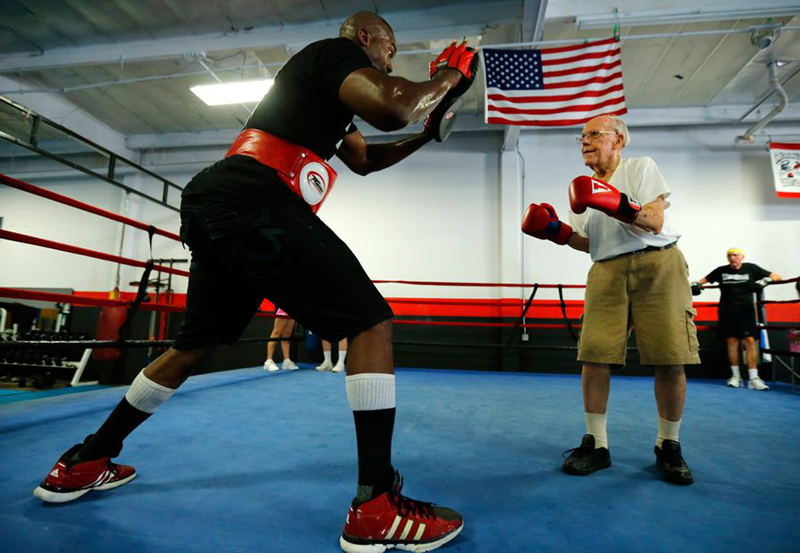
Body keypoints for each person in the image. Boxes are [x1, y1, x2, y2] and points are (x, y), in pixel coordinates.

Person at [33, 11, 477, 552]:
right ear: (366, 38)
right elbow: (393, 105)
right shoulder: (336, 55)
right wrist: (448, 78)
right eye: (388, 49)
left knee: (191, 346)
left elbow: (364, 159)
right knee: (371, 324)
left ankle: (84, 462)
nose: (389, 61)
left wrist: (427, 134)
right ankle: (376, 505)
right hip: (257, 203)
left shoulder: (326, 106)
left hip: (222, 209)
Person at [522, 114, 699, 486]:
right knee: (594, 355)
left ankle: (669, 444)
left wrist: (610, 199)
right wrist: (555, 232)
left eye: (593, 134)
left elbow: (652, 219)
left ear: (617, 141)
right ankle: (596, 444)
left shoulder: (640, 168)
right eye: (582, 136)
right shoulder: (581, 190)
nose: (585, 141)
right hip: (606, 269)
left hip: (659, 264)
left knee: (671, 357)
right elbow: (590, 242)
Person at [692, 248, 781, 390]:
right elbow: (702, 281)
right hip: (727, 311)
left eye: (736, 255)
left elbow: (777, 276)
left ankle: (753, 378)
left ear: (742, 257)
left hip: (746, 311)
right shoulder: (721, 270)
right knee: (732, 342)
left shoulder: (751, 268)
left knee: (750, 341)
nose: (733, 258)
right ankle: (736, 376)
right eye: (730, 256)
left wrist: (765, 281)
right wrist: (696, 285)